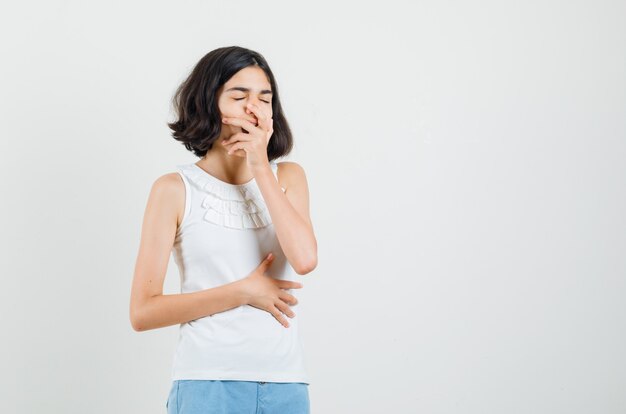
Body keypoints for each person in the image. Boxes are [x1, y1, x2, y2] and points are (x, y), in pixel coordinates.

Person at [129, 46, 318, 414]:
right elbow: (143, 312)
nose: (254, 108)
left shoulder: (288, 177)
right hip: (207, 382)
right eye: (239, 95)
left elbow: (306, 258)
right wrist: (242, 292)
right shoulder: (174, 188)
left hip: (286, 383)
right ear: (207, 101)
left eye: (265, 98)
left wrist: (261, 167)